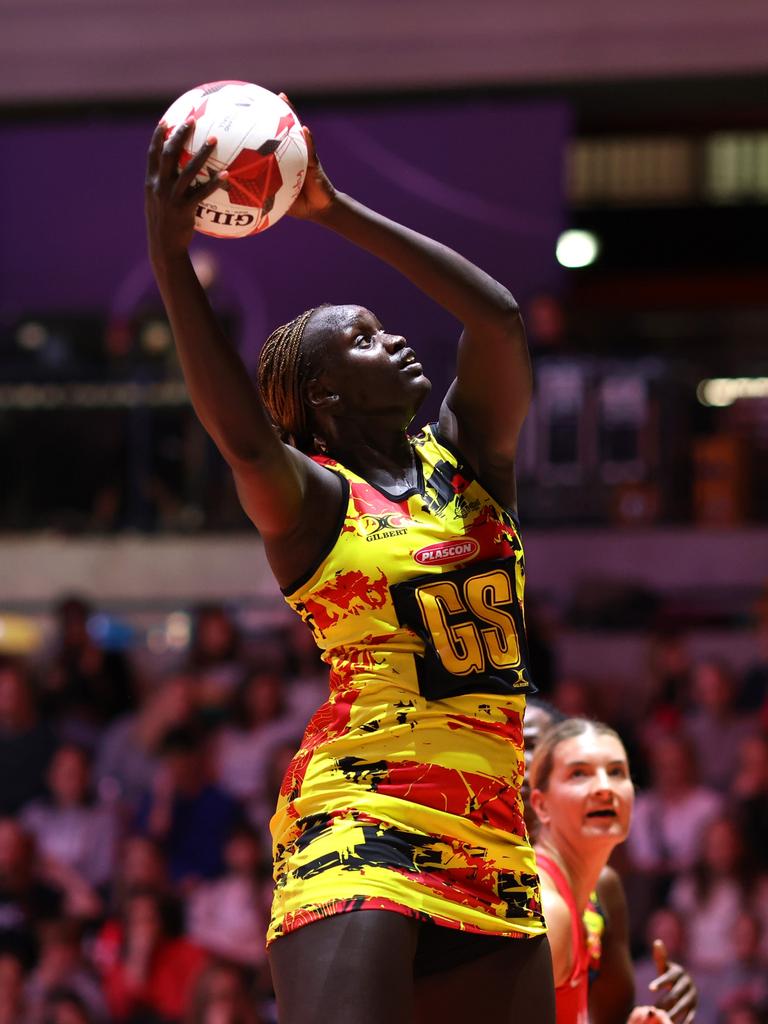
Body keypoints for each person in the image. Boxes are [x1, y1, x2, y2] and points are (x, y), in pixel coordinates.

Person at [145, 100, 552, 1024]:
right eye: (365, 337)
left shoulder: (473, 462)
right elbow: (244, 441)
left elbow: (498, 322)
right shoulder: (313, 501)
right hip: (362, 822)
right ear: (323, 395)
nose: (396, 337)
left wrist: (334, 208)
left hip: (494, 831)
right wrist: (171, 259)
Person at [523, 700, 698, 1024]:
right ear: (542, 800)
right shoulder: (544, 905)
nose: (604, 788)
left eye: (616, 772)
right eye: (580, 773)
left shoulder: (602, 885)